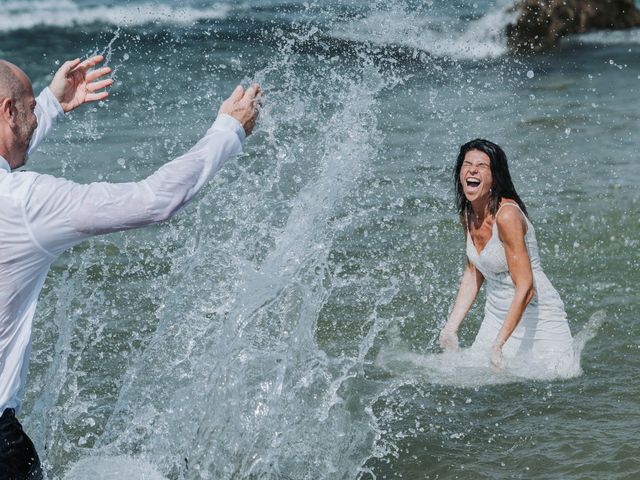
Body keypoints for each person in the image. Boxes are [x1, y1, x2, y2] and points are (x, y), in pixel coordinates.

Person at [0, 55, 260, 479]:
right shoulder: (24, 203)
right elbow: (154, 201)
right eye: (26, 109)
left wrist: (47, 103)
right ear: (9, 112)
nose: (32, 119)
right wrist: (228, 131)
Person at [438, 139, 573, 372]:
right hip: (496, 315)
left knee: (556, 383)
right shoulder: (468, 214)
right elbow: (473, 271)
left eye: (481, 166)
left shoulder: (507, 216)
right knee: (471, 381)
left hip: (538, 319)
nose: (472, 170)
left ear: (495, 177)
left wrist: (498, 345)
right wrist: (450, 328)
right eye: (467, 164)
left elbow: (526, 288)